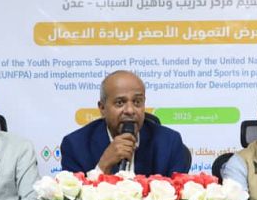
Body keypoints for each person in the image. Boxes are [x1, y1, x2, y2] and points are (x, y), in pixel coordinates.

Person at [60, 70, 190, 176]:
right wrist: (103, 166)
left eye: (137, 102)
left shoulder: (169, 143)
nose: (130, 110)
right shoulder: (75, 146)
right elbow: (74, 199)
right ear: (102, 108)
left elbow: (178, 196)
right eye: (120, 103)